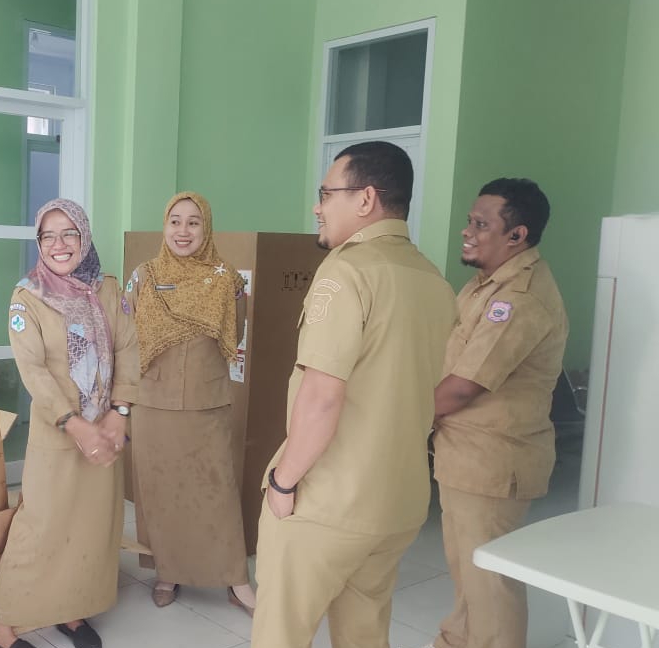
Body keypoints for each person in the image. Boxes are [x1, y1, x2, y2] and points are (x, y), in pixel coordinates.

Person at [252, 141, 456, 648]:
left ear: (366, 199)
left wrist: (282, 481)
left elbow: (322, 396)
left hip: (330, 502)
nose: (317, 207)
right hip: (398, 501)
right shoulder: (432, 279)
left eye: (326, 194)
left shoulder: (347, 272)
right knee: (365, 632)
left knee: (281, 634)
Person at [0, 198, 138, 648]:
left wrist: (119, 412)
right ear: (38, 243)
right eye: (47, 235)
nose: (59, 244)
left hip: (105, 429)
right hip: (58, 432)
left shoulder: (107, 288)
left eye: (69, 232)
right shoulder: (28, 297)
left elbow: (128, 347)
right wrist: (74, 423)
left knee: (92, 526)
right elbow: (33, 371)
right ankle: (2, 627)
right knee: (41, 525)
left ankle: (71, 610)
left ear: (84, 236)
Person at [426, 178, 568, 648]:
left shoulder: (518, 298)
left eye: (481, 224)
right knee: (467, 571)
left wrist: (400, 424)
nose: (467, 231)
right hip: (463, 456)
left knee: (490, 585)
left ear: (517, 235)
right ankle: (455, 640)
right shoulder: (484, 284)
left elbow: (463, 387)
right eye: (470, 220)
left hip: (491, 462)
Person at [125, 191, 256, 614]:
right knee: (162, 493)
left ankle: (235, 578)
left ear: (207, 228)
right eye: (175, 221)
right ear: (164, 226)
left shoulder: (227, 279)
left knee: (217, 492)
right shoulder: (143, 277)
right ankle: (169, 571)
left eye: (193, 222)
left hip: (206, 401)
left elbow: (234, 334)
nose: (183, 231)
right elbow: (127, 339)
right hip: (153, 402)